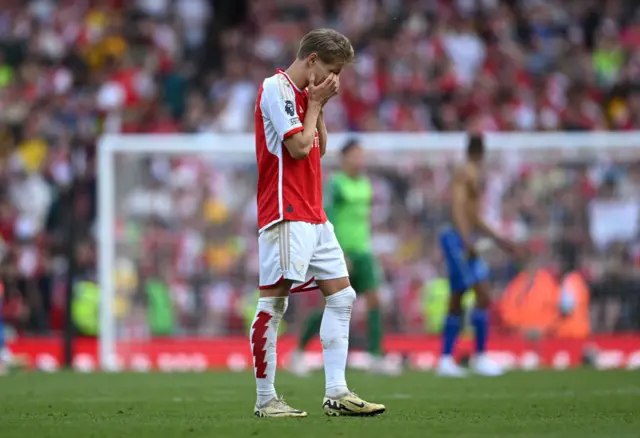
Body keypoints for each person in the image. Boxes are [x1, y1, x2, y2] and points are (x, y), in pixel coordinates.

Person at [251, 28, 385, 418]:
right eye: (331, 69)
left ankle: (336, 392)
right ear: (311, 60)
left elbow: (319, 148)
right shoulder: (275, 88)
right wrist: (313, 105)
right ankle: (265, 400)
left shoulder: (308, 96)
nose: (335, 79)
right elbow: (296, 147)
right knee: (273, 304)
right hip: (285, 211)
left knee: (343, 296)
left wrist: (318, 105)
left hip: (314, 214)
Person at [289, 139, 397, 376]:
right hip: (341, 252)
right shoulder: (336, 184)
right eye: (355, 155)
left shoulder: (367, 185)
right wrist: (338, 252)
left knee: (374, 300)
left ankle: (377, 356)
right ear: (344, 158)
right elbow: (328, 216)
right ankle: (298, 353)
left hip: (363, 251)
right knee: (331, 304)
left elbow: (362, 221)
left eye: (361, 155)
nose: (360, 159)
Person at [437, 134, 520, 377]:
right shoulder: (466, 173)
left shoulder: (471, 173)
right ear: (481, 152)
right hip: (456, 238)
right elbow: (457, 207)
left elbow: (474, 216)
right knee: (475, 293)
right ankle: (465, 357)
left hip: (462, 238)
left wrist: (500, 240)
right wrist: (465, 240)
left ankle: (455, 359)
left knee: (465, 294)